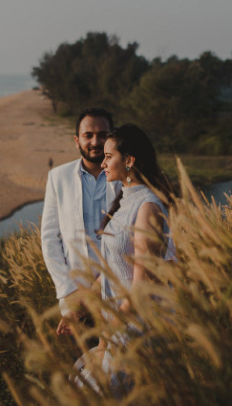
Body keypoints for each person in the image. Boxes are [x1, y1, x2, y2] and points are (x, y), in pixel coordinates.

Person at [64, 124, 173, 392]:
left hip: (134, 330)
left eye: (109, 156)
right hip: (116, 325)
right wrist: (82, 304)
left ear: (129, 160)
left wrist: (107, 337)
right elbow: (112, 268)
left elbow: (141, 289)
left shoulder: (148, 207)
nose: (102, 163)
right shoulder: (125, 201)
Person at [41, 108, 122, 333]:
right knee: (85, 363)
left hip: (122, 293)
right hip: (76, 300)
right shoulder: (58, 178)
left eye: (103, 134)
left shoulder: (126, 177)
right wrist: (68, 292)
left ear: (112, 137)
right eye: (88, 135)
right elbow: (49, 239)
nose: (96, 141)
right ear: (77, 141)